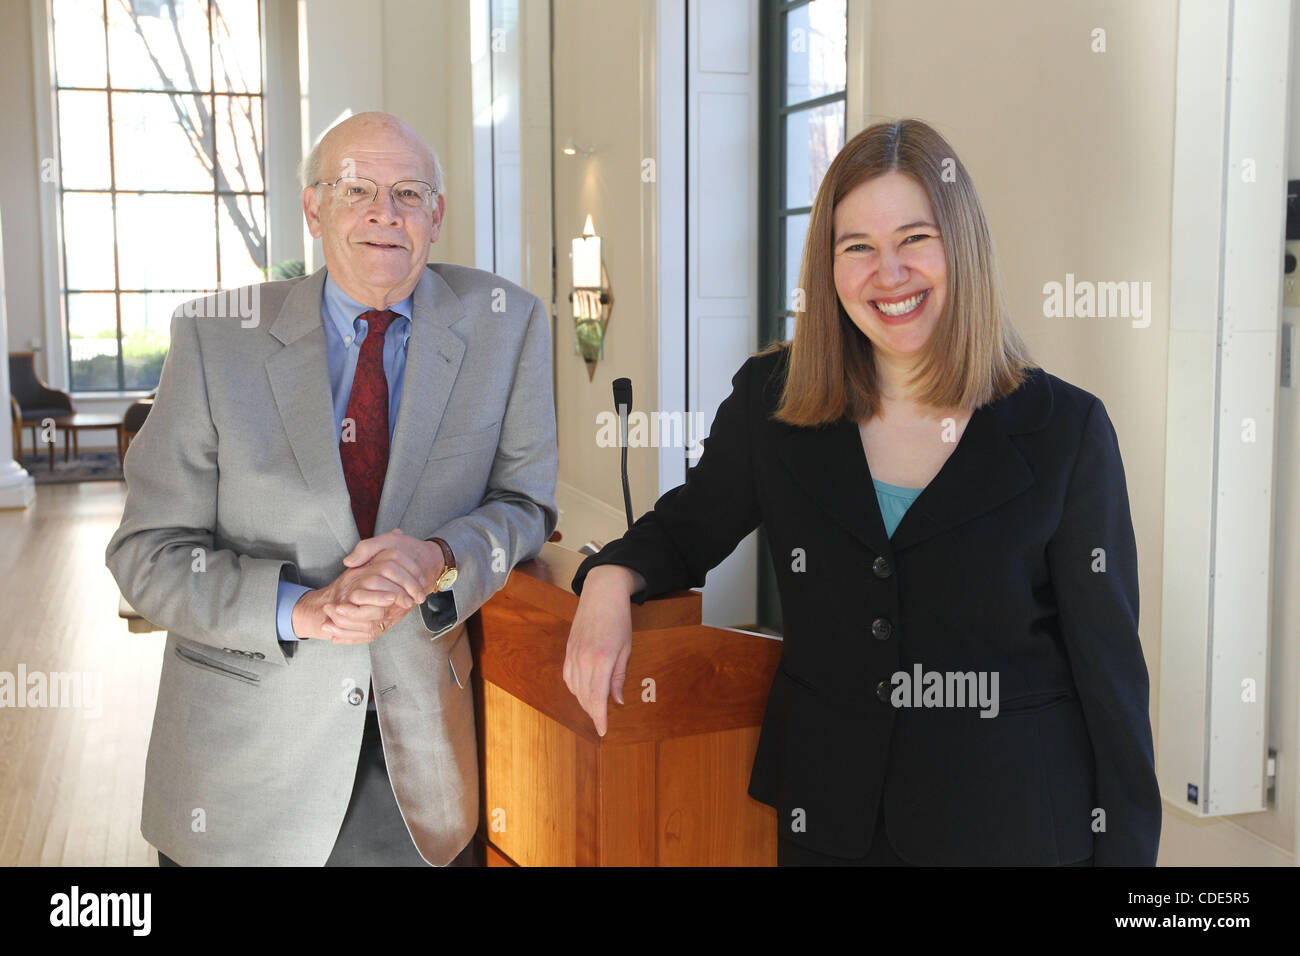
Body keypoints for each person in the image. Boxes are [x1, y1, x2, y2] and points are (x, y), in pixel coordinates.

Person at [564, 118, 1160, 866]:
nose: (890, 273)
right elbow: (687, 528)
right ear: (828, 266)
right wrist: (608, 581)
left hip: (1016, 826)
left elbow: (1110, 680)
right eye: (858, 248)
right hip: (832, 822)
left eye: (915, 238)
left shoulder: (1065, 429)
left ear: (961, 247)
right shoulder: (772, 402)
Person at [106, 111, 557, 866]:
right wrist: (301, 610)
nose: (386, 212)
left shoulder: (506, 326)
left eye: (410, 193)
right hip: (239, 777)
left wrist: (443, 555)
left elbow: (526, 503)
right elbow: (147, 555)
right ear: (314, 208)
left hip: (422, 775)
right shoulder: (215, 338)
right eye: (357, 190)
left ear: (437, 217)